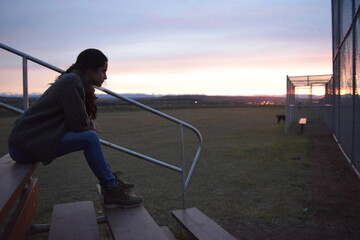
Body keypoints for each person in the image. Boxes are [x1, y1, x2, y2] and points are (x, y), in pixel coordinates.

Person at [8, 49, 143, 208]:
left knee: (89, 137)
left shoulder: (74, 80)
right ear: (90, 70)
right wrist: (91, 125)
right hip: (24, 145)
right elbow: (78, 125)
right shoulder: (72, 81)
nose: (105, 77)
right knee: (89, 138)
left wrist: (88, 125)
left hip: (28, 141)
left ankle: (111, 182)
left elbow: (77, 121)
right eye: (103, 71)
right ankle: (111, 188)